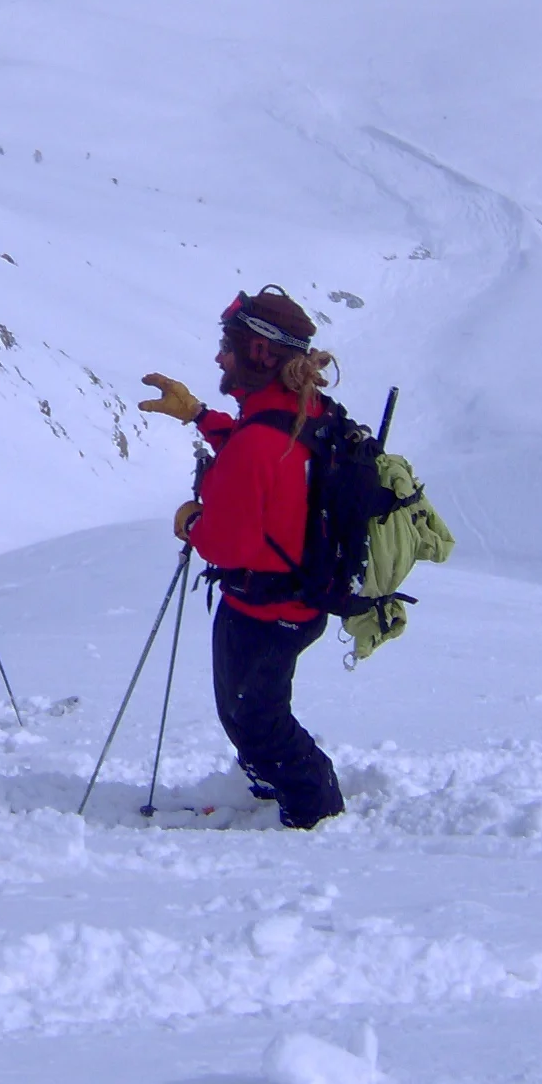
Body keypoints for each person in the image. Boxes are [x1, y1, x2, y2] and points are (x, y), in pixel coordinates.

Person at [139, 288, 346, 829]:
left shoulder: (260, 437)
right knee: (254, 711)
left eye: (228, 346)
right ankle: (270, 784)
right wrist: (201, 416)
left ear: (260, 354)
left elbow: (224, 541)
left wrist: (191, 522)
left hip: (262, 609)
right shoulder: (305, 413)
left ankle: (316, 811)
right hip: (301, 598)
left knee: (255, 720)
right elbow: (263, 445)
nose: (218, 358)